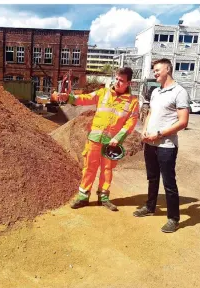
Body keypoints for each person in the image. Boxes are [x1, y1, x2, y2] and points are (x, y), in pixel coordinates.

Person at [58, 67, 139, 211]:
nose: (118, 82)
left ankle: (104, 197)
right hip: (95, 138)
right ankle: (83, 196)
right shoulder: (104, 93)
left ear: (129, 83)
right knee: (89, 167)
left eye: (122, 81)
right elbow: (85, 98)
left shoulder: (132, 102)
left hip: (112, 143)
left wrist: (118, 137)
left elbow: (131, 122)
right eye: (117, 79)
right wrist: (69, 97)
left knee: (107, 169)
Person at [133, 58, 190, 233]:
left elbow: (183, 122)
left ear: (168, 69)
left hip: (166, 145)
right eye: (154, 70)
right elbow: (150, 113)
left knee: (169, 183)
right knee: (152, 177)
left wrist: (158, 134)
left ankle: (173, 218)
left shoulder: (179, 92)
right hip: (150, 143)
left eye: (157, 70)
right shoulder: (156, 91)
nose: (155, 73)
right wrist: (144, 130)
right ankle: (150, 207)